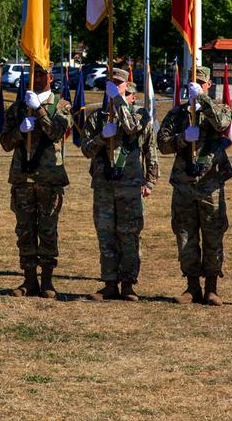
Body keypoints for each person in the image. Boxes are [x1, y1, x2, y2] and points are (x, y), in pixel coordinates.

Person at [157, 67, 232, 306]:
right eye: (193, 83)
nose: (197, 86)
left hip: (210, 184)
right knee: (185, 235)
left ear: (208, 85)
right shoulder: (177, 114)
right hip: (184, 184)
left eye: (201, 83)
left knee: (213, 235)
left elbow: (222, 124)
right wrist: (183, 139)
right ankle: (192, 287)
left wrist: (201, 99)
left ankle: (212, 287)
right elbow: (163, 145)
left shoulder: (220, 108)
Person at [81, 69, 159, 301]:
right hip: (104, 186)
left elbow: (139, 136)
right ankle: (109, 283)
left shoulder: (140, 114)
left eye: (119, 83)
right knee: (106, 235)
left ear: (127, 85)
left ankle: (128, 284)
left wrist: (150, 181)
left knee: (129, 235)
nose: (115, 86)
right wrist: (102, 137)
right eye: (112, 83)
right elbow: (86, 150)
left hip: (129, 185)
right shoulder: (97, 117)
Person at [0, 64, 71, 298]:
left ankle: (47, 281)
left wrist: (39, 110)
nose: (37, 78)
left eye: (41, 74)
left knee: (48, 231)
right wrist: (20, 130)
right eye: (34, 74)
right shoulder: (18, 108)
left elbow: (56, 132)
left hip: (49, 179)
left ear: (50, 77)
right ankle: (29, 279)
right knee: (25, 231)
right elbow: (5, 143)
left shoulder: (61, 105)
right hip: (23, 179)